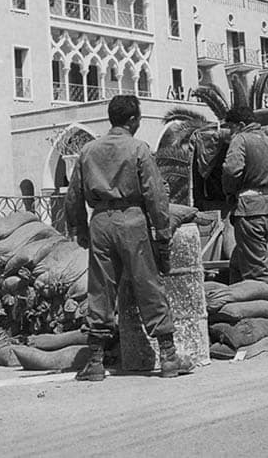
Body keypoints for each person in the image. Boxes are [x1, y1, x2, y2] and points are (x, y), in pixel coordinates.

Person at [65, 94, 192, 381]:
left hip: (100, 222)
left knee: (100, 289)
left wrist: (81, 230)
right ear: (133, 120)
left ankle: (95, 362)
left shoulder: (88, 150)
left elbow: (73, 196)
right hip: (132, 221)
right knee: (148, 284)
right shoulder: (138, 149)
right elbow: (155, 194)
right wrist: (162, 232)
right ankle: (169, 358)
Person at [222, 105, 268, 285]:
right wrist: (267, 189)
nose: (229, 132)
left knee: (256, 269)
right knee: (239, 262)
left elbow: (231, 170)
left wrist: (231, 193)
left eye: (230, 127)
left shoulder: (241, 140)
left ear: (241, 124)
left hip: (249, 211)